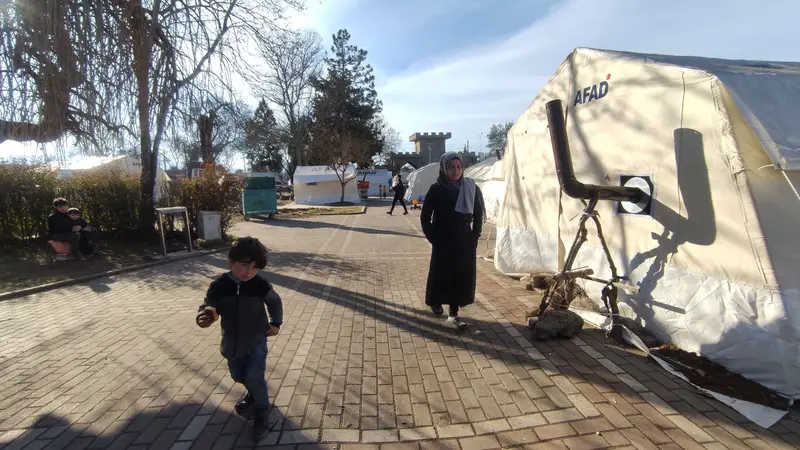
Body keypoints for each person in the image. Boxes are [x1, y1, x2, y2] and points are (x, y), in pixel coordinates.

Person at [195, 237, 283, 440]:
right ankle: (253, 394)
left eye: (254, 267)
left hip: (256, 340)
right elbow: (210, 305)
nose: (249, 272)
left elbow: (274, 301)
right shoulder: (219, 285)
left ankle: (262, 412)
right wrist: (206, 315)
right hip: (231, 343)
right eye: (244, 265)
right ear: (230, 262)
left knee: (254, 376)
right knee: (238, 376)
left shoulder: (259, 285)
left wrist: (275, 323)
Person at [421, 153, 485, 330]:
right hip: (443, 238)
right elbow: (425, 217)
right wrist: (433, 237)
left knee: (460, 274)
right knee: (441, 273)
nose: (456, 170)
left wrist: (475, 235)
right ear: (444, 168)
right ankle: (436, 301)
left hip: (464, 238)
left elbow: (478, 214)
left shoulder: (470, 187)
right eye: (451, 167)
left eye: (459, 167)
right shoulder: (436, 189)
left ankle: (454, 311)